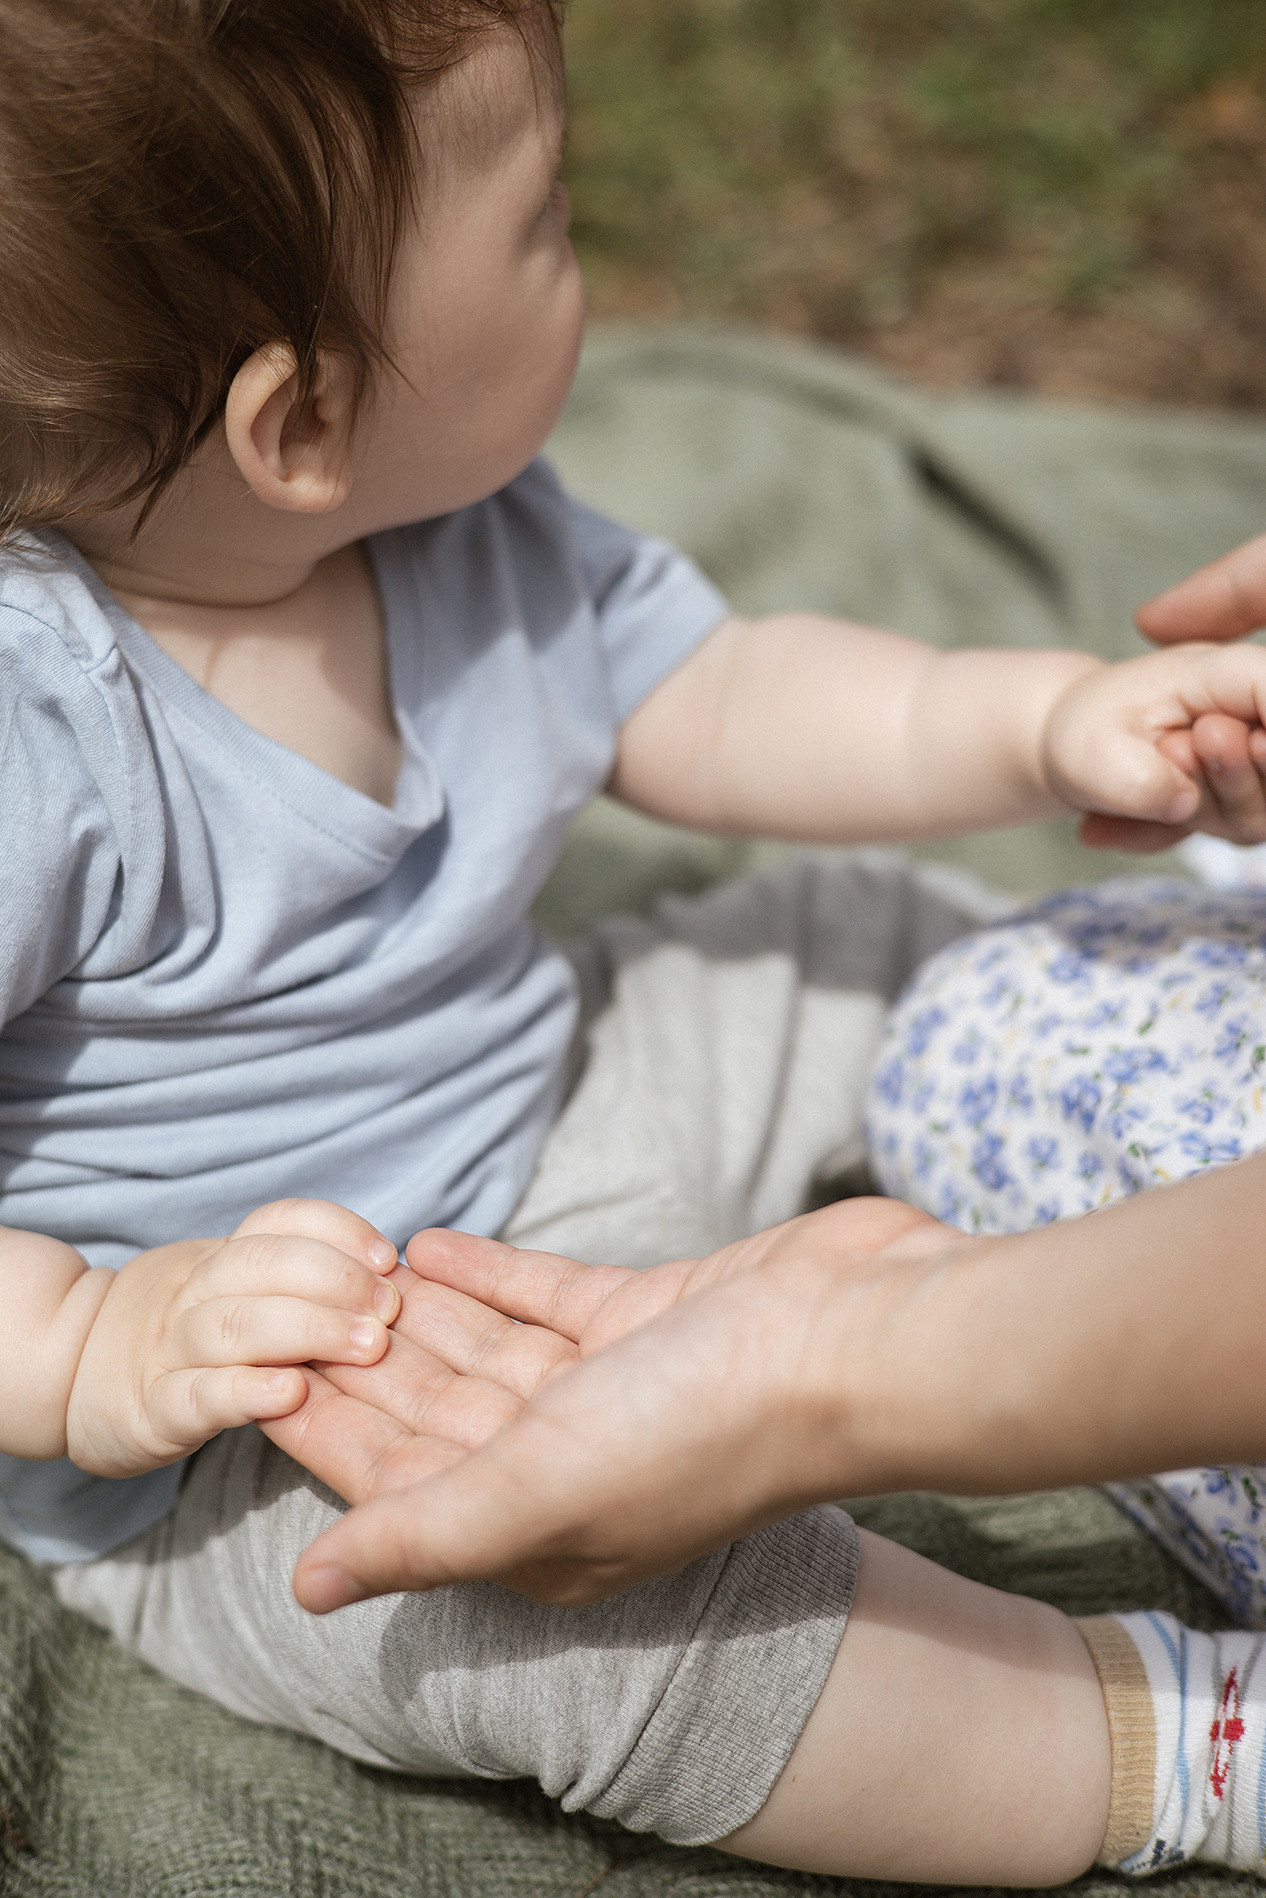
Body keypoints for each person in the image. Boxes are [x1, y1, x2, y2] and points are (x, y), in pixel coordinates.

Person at [5, 0, 1266, 1880]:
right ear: (305, 419)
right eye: (551, 217)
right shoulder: (38, 735)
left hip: (574, 1071)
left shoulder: (461, 523)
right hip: (289, 1400)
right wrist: (84, 1339)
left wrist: (1038, 718)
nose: (585, 255)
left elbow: (721, 692)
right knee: (564, 1629)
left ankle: (1142, 1067)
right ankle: (1172, 1736)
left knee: (846, 936)